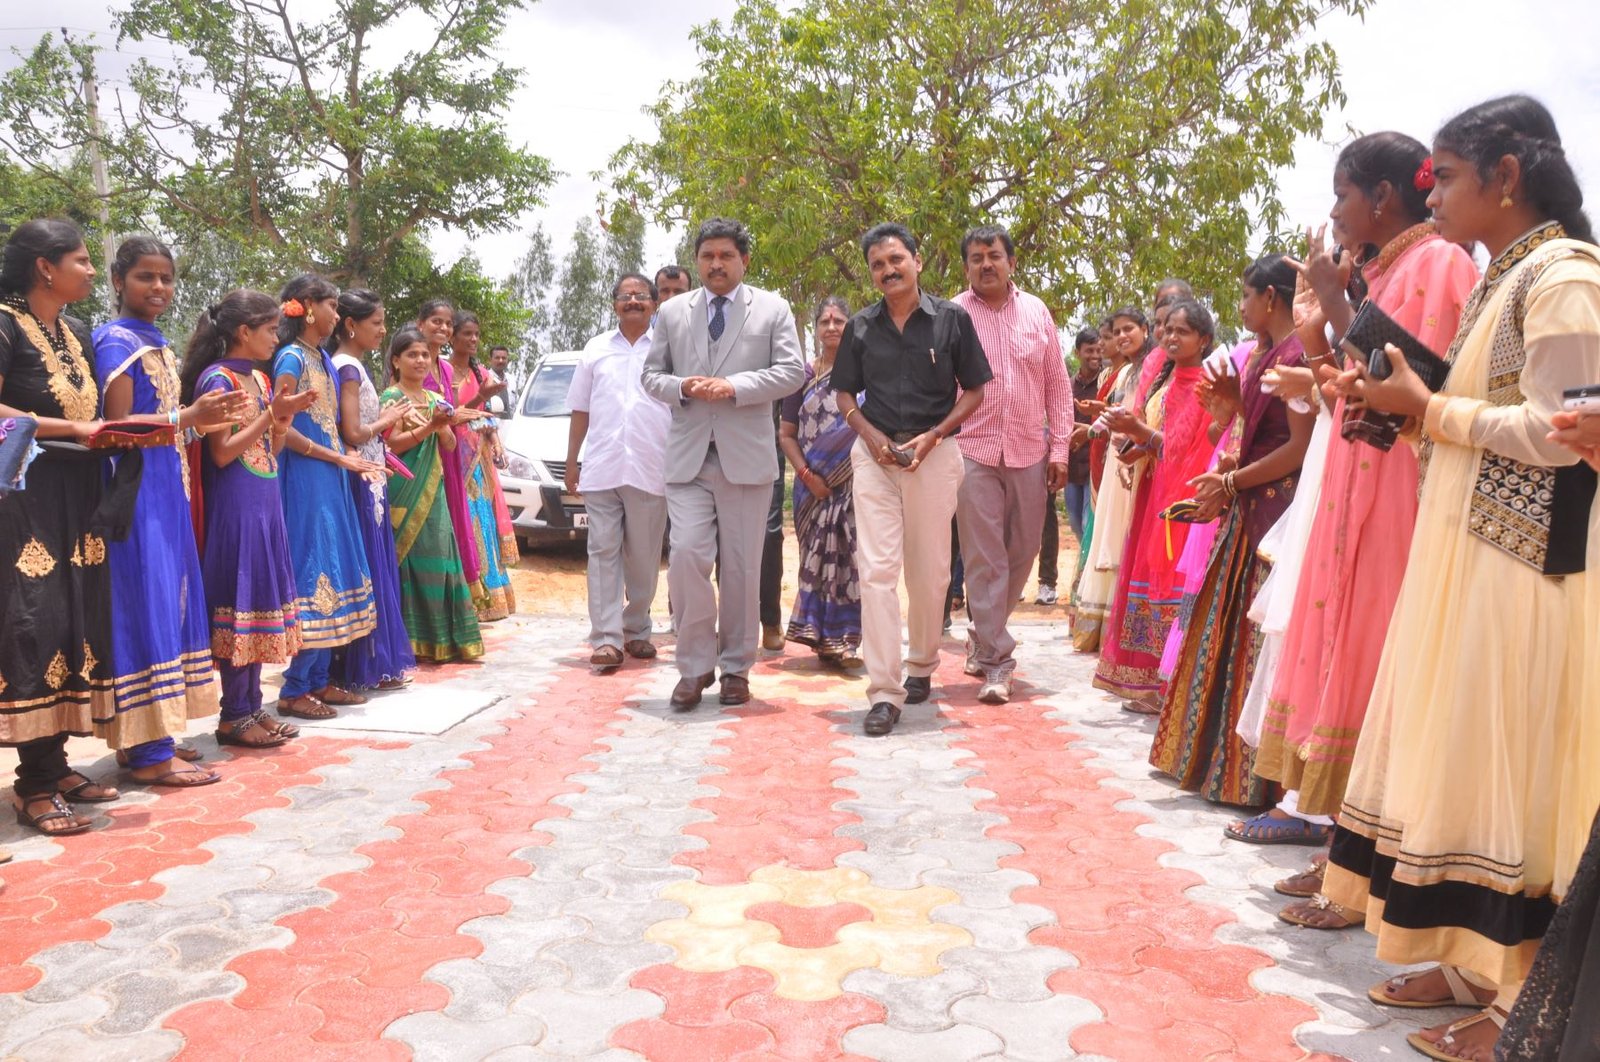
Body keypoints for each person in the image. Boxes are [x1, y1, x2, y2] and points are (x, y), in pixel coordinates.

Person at [1319, 96, 1600, 1060]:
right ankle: (1473, 962)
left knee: (1515, 766)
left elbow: (1564, 435)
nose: (1429, 195)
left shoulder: (1565, 276)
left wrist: (1430, 410)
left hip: (1528, 569)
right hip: (1471, 551)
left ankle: (1523, 996)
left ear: (1506, 177)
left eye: (1442, 177)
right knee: (1469, 758)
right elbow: (1478, 414)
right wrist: (1405, 406)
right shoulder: (1507, 277)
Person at [1246, 135, 1479, 908]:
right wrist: (1323, 335)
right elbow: (1354, 389)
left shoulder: (1441, 263)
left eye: (1342, 194)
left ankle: (1369, 874)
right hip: (1353, 491)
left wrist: (1338, 304)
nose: (1335, 211)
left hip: (1400, 498)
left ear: (1381, 196)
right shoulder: (1388, 271)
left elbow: (1420, 385)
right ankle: (1345, 859)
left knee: (1380, 667)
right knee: (1347, 663)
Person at [1149, 254, 1313, 807]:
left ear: (1270, 298)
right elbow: (1251, 432)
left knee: (1256, 639)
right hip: (1247, 506)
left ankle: (1252, 778)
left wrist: (1233, 479)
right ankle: (1217, 766)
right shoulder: (1263, 354)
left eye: (1246, 295)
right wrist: (1228, 419)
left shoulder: (1297, 356)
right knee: (1226, 631)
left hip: (1274, 512)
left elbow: (1298, 447)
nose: (1240, 306)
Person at [1, 221, 149, 833]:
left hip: (79, 492)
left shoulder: (76, 330)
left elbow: (94, 413)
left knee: (74, 620)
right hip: (26, 495)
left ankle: (56, 765)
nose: (92, 271)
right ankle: (33, 785)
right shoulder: (5, 325)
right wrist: (73, 430)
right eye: (82, 261)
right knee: (36, 619)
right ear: (45, 266)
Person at [92, 236, 244, 786]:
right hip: (137, 495)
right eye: (145, 277)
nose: (158, 287)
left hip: (167, 488)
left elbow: (168, 421)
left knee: (168, 602)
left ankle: (148, 736)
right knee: (147, 604)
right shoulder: (116, 341)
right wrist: (186, 418)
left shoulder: (153, 340)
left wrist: (199, 422)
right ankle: (150, 754)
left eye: (166, 278)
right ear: (118, 281)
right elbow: (116, 430)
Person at [831, 223, 992, 735]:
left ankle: (921, 663)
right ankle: (884, 692)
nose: (888, 270)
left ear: (917, 261)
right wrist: (868, 434)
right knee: (876, 571)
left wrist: (935, 435)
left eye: (896, 259)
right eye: (878, 265)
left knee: (930, 574)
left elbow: (975, 389)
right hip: (875, 458)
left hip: (935, 455)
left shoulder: (952, 320)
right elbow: (843, 393)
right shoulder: (860, 327)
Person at [640, 218, 805, 711]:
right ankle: (694, 667)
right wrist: (682, 387)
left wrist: (736, 386)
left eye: (726, 255)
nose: (716, 264)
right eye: (707, 256)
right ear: (697, 261)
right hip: (688, 459)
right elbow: (651, 376)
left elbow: (791, 372)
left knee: (741, 570)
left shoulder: (772, 308)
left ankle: (736, 668)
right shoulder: (673, 312)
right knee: (687, 557)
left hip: (747, 460)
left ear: (744, 261)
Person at [181, 289, 314, 750]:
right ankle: (234, 715)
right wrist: (271, 415)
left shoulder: (258, 378)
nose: (276, 339)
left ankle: (253, 707)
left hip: (264, 498)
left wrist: (281, 422)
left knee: (260, 602)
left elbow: (269, 450)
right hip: (236, 505)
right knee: (241, 603)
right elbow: (221, 454)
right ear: (244, 331)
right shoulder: (218, 381)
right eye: (270, 330)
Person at [951, 224, 1073, 703]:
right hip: (972, 450)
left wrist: (1059, 449)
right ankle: (998, 661)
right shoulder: (954, 314)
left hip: (1028, 450)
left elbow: (1057, 386)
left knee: (1022, 551)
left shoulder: (1036, 312)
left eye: (994, 255)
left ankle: (981, 636)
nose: (986, 264)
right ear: (966, 266)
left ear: (1011, 262)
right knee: (984, 557)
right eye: (976, 257)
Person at [1092, 299, 1220, 711]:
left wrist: (1138, 430)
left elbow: (1183, 449)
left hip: (1184, 495)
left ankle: (1172, 689)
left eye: (1182, 331)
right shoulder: (1169, 378)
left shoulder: (1205, 384)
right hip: (1157, 487)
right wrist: (1136, 442)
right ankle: (1154, 682)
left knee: (1173, 584)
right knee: (1152, 581)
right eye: (1167, 329)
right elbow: (1162, 442)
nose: (1171, 337)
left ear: (1204, 339)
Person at [272, 274, 382, 719]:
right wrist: (334, 456)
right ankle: (295, 687)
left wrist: (343, 456)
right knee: (312, 568)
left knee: (332, 567)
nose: (336, 314)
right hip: (304, 477)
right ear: (307, 308)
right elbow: (280, 424)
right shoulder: (290, 358)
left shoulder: (319, 357)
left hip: (330, 475)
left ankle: (317, 678)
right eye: (331, 306)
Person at [566, 273, 671, 672]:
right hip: (603, 465)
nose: (633, 301)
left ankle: (637, 627)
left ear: (654, 304)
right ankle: (607, 639)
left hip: (651, 465)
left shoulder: (668, 348)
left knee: (644, 557)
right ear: (614, 304)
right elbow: (580, 408)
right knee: (602, 552)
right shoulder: (595, 349)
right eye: (625, 296)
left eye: (641, 295)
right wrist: (572, 460)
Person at [329, 289, 416, 690]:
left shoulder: (351, 365)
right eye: (377, 323)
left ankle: (374, 663)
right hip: (361, 477)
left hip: (371, 473)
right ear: (351, 325)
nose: (383, 331)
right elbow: (352, 431)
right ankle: (366, 664)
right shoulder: (347, 367)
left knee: (375, 564)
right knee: (369, 566)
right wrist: (387, 419)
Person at [382, 327, 485, 662]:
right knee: (410, 557)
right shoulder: (391, 399)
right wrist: (431, 426)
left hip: (434, 489)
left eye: (425, 355)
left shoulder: (434, 399)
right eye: (412, 354)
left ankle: (442, 639)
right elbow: (391, 445)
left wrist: (442, 426)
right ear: (396, 361)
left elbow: (450, 444)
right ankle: (410, 640)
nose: (421, 360)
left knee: (440, 556)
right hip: (404, 489)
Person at [1072, 307, 1160, 651]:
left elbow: (1140, 417)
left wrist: (1096, 429)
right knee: (1109, 532)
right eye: (1116, 331)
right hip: (1117, 457)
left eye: (1128, 330)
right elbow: (1116, 415)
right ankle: (1106, 627)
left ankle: (1122, 626)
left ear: (1145, 329)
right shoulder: (1126, 373)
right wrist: (1093, 425)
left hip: (1136, 457)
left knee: (1124, 533)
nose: (1122, 337)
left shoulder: (1153, 368)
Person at [779, 296, 861, 667]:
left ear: (850, 327)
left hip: (854, 483)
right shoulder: (802, 376)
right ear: (815, 328)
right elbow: (786, 434)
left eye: (838, 321)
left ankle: (846, 641)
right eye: (824, 321)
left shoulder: (864, 373)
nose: (831, 327)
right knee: (816, 558)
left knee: (852, 561)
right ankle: (819, 637)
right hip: (811, 488)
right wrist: (807, 476)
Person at [450, 310, 519, 621]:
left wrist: (497, 445)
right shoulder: (444, 371)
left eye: (476, 334)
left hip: (480, 458)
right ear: (453, 336)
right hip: (456, 456)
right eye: (467, 334)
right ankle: (470, 598)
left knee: (484, 520)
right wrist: (479, 398)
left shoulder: (480, 372)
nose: (473, 339)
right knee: (466, 521)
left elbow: (486, 417)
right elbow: (453, 415)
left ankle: (493, 594)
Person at [416, 298, 481, 588]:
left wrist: (458, 416)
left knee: (451, 518)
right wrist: (451, 418)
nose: (443, 328)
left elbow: (452, 412)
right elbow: (404, 405)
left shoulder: (445, 369)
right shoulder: (412, 360)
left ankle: (452, 590)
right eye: (436, 322)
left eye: (448, 323)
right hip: (422, 451)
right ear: (420, 324)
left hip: (448, 451)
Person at [1035, 329, 1101, 608]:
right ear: (1078, 353)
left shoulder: (1106, 382)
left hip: (1095, 466)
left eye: (1098, 350)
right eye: (1089, 350)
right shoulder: (1068, 385)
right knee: (1074, 522)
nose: (1095, 355)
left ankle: (1085, 586)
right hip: (1071, 467)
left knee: (1087, 524)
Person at [484, 344, 515, 419]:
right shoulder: (484, 378)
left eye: (504, 358)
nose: (501, 361)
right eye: (497, 358)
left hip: (510, 423)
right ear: (490, 360)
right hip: (490, 423)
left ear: (508, 360)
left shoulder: (512, 380)